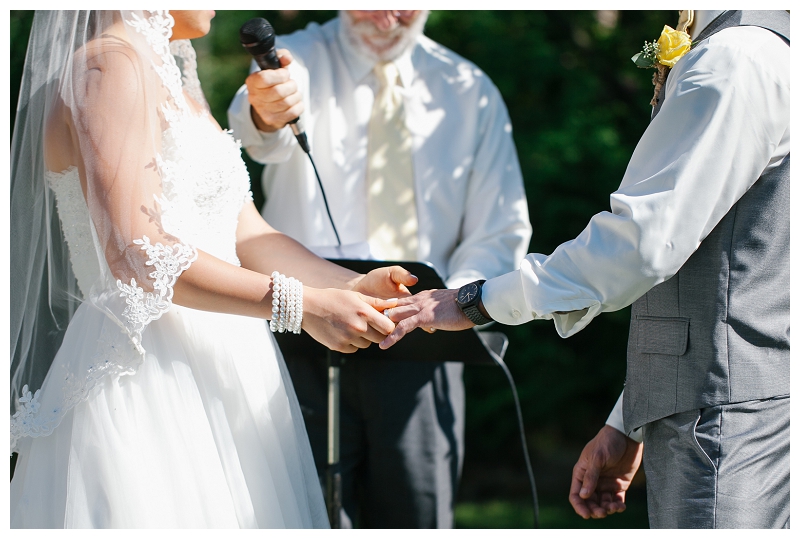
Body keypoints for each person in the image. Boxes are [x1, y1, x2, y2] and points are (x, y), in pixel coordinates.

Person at [380, 10, 789, 529]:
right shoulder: (744, 47)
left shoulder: (737, 58)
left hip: (727, 425)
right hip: (717, 408)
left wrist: (475, 300)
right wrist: (630, 419)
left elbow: (640, 246)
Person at [10, 10, 418, 528]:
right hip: (151, 373)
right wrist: (299, 305)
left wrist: (347, 284)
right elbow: (138, 255)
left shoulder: (174, 71)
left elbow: (246, 234)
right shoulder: (108, 67)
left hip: (229, 363)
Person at [227, 10, 531, 528]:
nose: (388, 15)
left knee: (416, 514)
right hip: (300, 334)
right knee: (298, 513)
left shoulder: (470, 88)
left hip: (424, 346)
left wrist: (447, 305)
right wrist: (264, 111)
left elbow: (499, 229)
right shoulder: (294, 59)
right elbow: (258, 123)